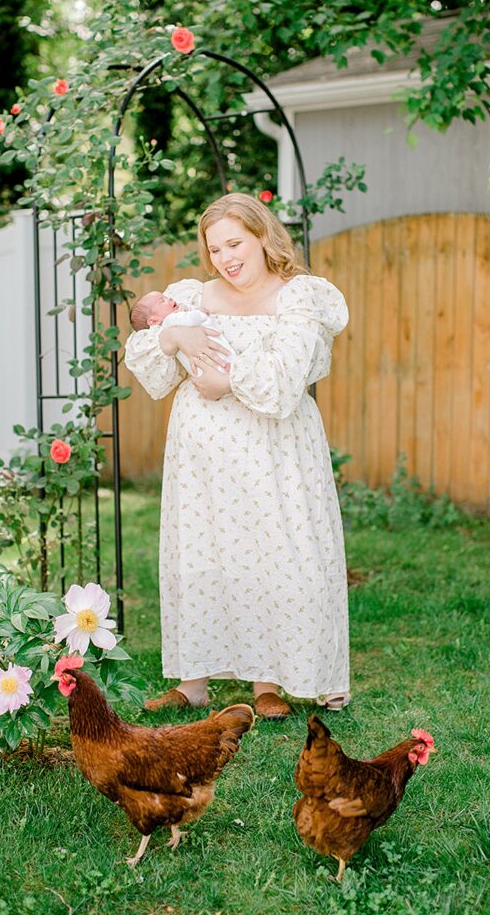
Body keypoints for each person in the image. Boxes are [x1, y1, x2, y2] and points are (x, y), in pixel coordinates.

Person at [124, 192, 350, 719]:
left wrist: (225, 379)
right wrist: (173, 333)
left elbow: (282, 379)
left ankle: (267, 682)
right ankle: (193, 680)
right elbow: (149, 363)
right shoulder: (191, 297)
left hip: (275, 450)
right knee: (201, 552)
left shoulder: (300, 297)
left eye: (234, 242)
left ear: (262, 237)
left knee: (272, 551)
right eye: (215, 248)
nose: (226, 258)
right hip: (201, 457)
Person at [129, 289, 236, 377]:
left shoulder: (174, 320)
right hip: (208, 359)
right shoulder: (169, 321)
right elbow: (192, 319)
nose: (169, 298)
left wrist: (185, 308)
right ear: (154, 321)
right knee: (219, 359)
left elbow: (186, 312)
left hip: (204, 364)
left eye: (165, 297)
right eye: (162, 301)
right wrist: (201, 313)